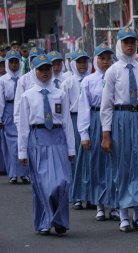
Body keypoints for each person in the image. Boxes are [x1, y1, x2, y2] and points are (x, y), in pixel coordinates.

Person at [100, 27, 138, 232]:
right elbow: (106, 104)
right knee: (124, 166)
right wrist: (106, 133)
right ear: (119, 44)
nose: (130, 45)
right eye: (126, 42)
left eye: (132, 41)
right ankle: (124, 215)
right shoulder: (113, 71)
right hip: (121, 118)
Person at [18, 54, 75, 235]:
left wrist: (71, 148)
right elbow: (24, 127)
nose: (45, 73)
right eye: (41, 69)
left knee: (61, 182)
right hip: (38, 139)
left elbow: (66, 121)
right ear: (34, 71)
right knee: (43, 184)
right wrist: (22, 152)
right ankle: (44, 221)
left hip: (57, 139)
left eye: (47, 69)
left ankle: (59, 220)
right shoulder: (28, 96)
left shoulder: (60, 94)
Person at [74, 42, 120, 222]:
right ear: (95, 60)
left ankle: (115, 205)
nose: (105, 62)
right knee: (97, 164)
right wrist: (84, 134)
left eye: (109, 58)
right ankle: (100, 204)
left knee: (115, 164)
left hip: (114, 119)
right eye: (102, 58)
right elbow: (84, 108)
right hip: (95, 120)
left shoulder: (117, 78)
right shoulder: (89, 81)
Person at [61, 49, 92, 210]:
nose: (82, 65)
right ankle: (77, 194)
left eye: (84, 62)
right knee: (75, 158)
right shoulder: (67, 83)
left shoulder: (92, 80)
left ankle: (91, 194)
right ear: (73, 64)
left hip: (90, 119)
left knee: (90, 158)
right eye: (79, 62)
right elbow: (64, 109)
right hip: (73, 119)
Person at [0, 49, 30, 184]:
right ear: (7, 63)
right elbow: (0, 100)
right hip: (9, 110)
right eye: (11, 62)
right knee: (11, 144)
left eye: (16, 62)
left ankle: (24, 173)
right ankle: (13, 173)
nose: (13, 65)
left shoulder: (24, 78)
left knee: (22, 141)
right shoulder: (2, 80)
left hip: (22, 109)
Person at [14, 47, 45, 131]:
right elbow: (18, 104)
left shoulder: (49, 78)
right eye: (32, 59)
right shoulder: (23, 80)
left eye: (37, 59)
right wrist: (18, 125)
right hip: (30, 122)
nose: (35, 62)